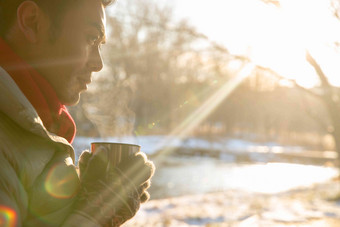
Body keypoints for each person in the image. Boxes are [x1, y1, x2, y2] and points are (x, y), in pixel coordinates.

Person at [0, 0, 155, 226]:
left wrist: (83, 196)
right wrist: (95, 214)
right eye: (91, 38)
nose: (99, 64)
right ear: (32, 22)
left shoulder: (38, 129)